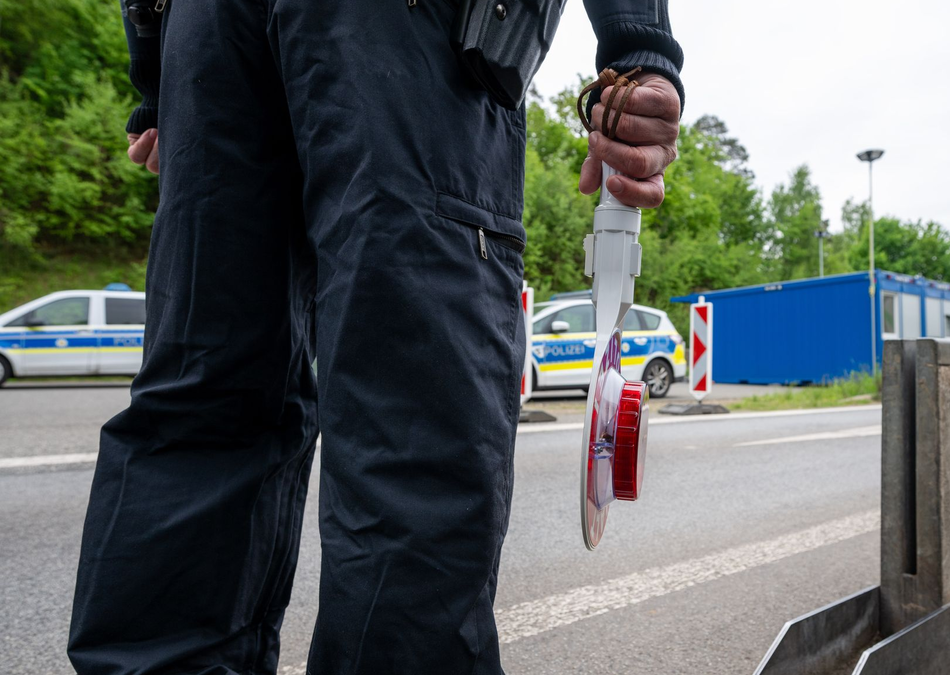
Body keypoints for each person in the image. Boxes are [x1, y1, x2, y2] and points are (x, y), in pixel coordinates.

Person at [67, 1, 683, 673]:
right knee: (411, 428)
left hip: (205, 30)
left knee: (201, 408)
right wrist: (640, 46)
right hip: (398, 27)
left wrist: (157, 68)